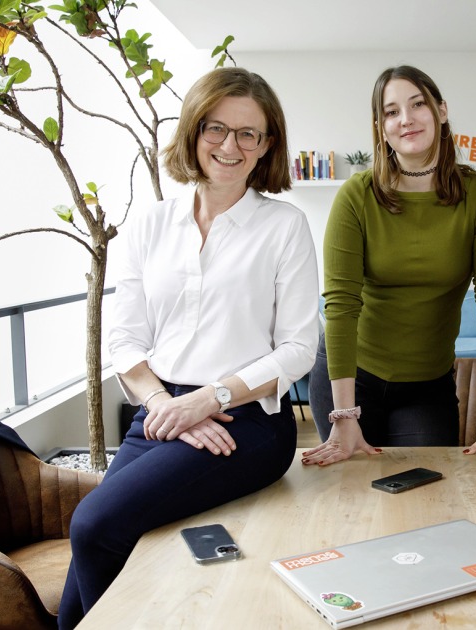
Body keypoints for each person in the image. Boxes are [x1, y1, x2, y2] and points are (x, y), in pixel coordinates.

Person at [59, 68, 318, 627]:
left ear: (266, 144)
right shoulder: (150, 224)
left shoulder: (284, 226)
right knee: (97, 539)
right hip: (158, 412)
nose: (230, 145)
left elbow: (299, 347)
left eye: (248, 133)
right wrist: (165, 405)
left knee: (94, 524)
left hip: (246, 420)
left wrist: (206, 400)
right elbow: (125, 340)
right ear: (193, 132)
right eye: (215, 128)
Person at [302, 65, 476, 466]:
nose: (405, 119)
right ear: (380, 126)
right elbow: (341, 306)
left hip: (428, 386)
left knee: (427, 487)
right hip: (351, 380)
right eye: (391, 111)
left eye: (418, 104)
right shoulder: (356, 196)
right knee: (352, 487)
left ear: (442, 110)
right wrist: (345, 414)